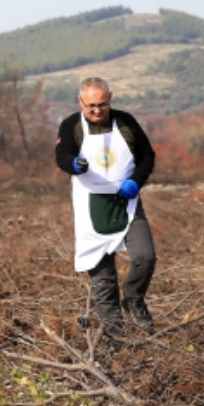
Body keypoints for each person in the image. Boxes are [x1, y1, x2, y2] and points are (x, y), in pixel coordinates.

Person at [55, 77, 157, 339]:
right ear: (81, 101)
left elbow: (147, 155)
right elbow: (62, 156)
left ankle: (134, 299)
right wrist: (73, 164)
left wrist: (136, 181)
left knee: (145, 256)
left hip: (128, 202)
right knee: (104, 280)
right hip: (91, 207)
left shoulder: (125, 122)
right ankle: (117, 341)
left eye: (102, 104)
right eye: (91, 106)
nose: (97, 111)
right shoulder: (71, 125)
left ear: (110, 97)